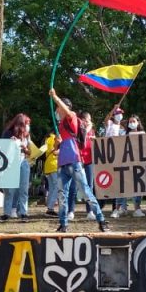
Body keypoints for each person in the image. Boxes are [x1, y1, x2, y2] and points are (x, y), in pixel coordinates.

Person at [49, 88, 110, 233]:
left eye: (58, 108)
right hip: (62, 163)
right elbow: (57, 147)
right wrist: (57, 142)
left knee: (86, 191)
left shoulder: (72, 118)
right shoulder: (60, 125)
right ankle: (63, 224)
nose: (57, 111)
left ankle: (101, 220)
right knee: (62, 194)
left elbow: (69, 113)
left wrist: (55, 97)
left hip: (74, 160)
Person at [0, 113, 32, 223]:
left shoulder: (27, 135)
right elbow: (2, 149)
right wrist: (10, 143)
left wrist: (25, 147)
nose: (28, 126)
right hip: (10, 164)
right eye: (27, 124)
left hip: (23, 163)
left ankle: (23, 213)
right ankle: (6, 213)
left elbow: (30, 152)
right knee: (9, 190)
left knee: (23, 189)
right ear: (21, 124)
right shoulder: (7, 133)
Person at [125, 115, 146, 217]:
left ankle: (137, 208)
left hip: (140, 164)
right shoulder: (124, 134)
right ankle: (121, 207)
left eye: (134, 121)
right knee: (125, 186)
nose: (132, 123)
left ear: (138, 122)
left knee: (139, 187)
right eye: (130, 121)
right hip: (127, 163)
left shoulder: (143, 134)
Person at [42, 132, 61, 217]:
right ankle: (50, 208)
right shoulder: (54, 138)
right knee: (57, 187)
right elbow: (55, 152)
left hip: (48, 165)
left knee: (52, 187)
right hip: (54, 165)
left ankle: (49, 208)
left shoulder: (47, 139)